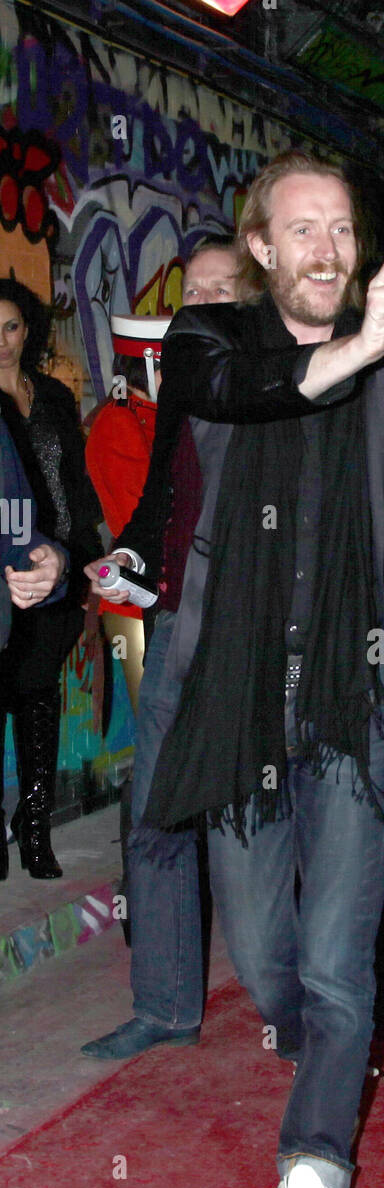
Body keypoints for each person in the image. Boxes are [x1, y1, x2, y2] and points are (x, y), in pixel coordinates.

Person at [108, 152, 384, 1188]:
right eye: (304, 230)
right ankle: (340, 1000)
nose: (329, 247)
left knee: (331, 970)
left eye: (344, 227)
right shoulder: (208, 344)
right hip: (237, 697)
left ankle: (313, 1176)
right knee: (270, 965)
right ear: (265, 250)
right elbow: (257, 394)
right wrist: (371, 345)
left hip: (353, 698)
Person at [81, 240, 241, 1059]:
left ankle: (327, 983)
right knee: (154, 812)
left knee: (279, 823)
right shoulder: (179, 391)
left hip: (260, 633)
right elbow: (156, 510)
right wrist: (130, 563)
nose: (206, 301)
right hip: (178, 624)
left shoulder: (290, 390)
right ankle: (166, 1006)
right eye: (197, 290)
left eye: (224, 288)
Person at [0, 279, 101, 877]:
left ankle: (34, 825)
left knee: (39, 696)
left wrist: (89, 550)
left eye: (12, 327)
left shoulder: (55, 398)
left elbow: (78, 483)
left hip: (60, 566)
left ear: (28, 330)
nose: (4, 342)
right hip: (7, 577)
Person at [85, 314, 171, 713]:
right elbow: (140, 515)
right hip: (137, 595)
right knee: (162, 725)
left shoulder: (157, 416)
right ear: (152, 363)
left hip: (161, 591)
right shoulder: (120, 421)